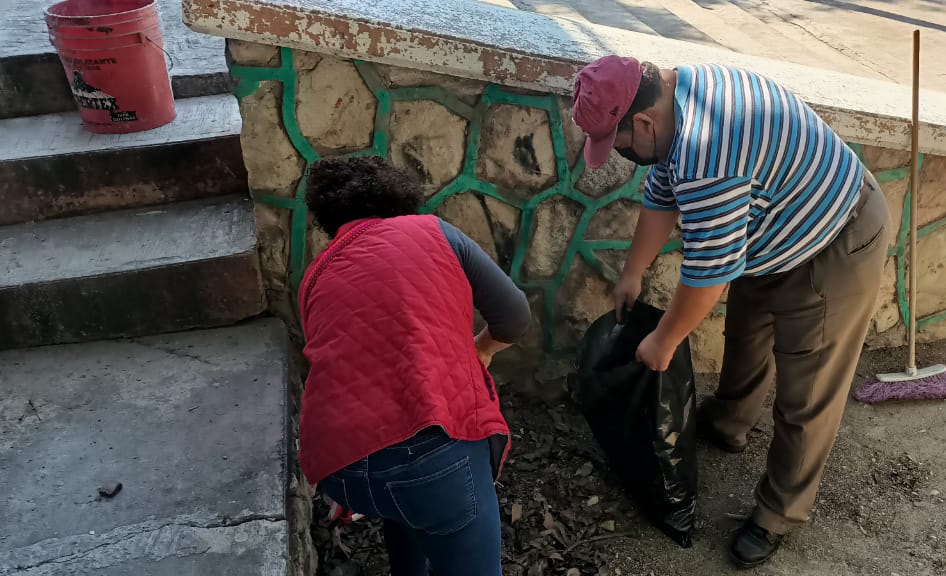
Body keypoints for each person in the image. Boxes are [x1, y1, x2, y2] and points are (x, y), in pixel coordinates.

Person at [572, 56, 890, 567]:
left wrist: (665, 341)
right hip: (774, 228)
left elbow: (708, 274)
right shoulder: (674, 100)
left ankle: (779, 513)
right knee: (746, 336)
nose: (620, 153)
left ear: (644, 122)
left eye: (620, 142)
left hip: (836, 236)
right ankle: (728, 423)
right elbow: (662, 194)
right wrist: (632, 272)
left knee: (806, 392)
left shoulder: (709, 152)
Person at [296, 156, 530, 576]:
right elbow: (514, 316)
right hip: (434, 464)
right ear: (399, 200)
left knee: (403, 494)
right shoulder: (432, 231)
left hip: (340, 467)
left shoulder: (316, 273)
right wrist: (483, 347)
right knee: (421, 484)